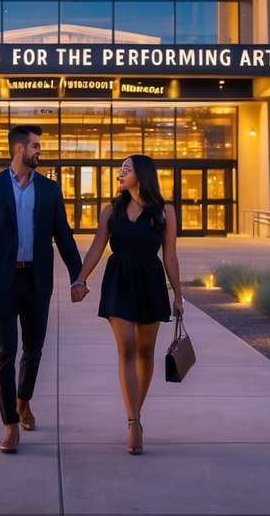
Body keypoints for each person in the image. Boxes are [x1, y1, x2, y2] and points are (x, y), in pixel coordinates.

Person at [0, 124, 86, 454]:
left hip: (38, 281)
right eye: (35, 146)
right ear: (18, 150)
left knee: (33, 349)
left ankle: (23, 400)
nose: (39, 151)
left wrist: (79, 277)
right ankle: (10, 424)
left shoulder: (49, 189)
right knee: (5, 352)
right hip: (2, 282)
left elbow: (64, 235)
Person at [72, 154, 182, 455]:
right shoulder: (111, 210)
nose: (120, 173)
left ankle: (137, 412)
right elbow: (97, 245)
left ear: (142, 175)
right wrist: (80, 280)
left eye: (126, 169)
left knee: (146, 352)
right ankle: (133, 421)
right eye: (120, 169)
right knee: (127, 347)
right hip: (118, 281)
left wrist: (179, 297)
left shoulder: (165, 211)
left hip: (149, 281)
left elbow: (170, 255)